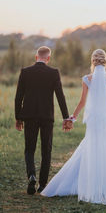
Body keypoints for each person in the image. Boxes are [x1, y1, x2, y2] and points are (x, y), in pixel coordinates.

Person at [41, 49, 106, 208]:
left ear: (93, 61)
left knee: (92, 144)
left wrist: (72, 118)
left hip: (94, 117)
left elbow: (82, 102)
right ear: (105, 61)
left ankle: (91, 183)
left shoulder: (87, 79)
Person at [15, 46, 73, 195]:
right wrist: (66, 117)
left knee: (29, 149)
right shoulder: (53, 73)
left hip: (29, 116)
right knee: (46, 150)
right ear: (48, 58)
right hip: (47, 117)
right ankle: (42, 185)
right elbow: (60, 96)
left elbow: (18, 97)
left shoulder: (25, 72)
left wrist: (18, 117)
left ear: (36, 57)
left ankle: (31, 175)